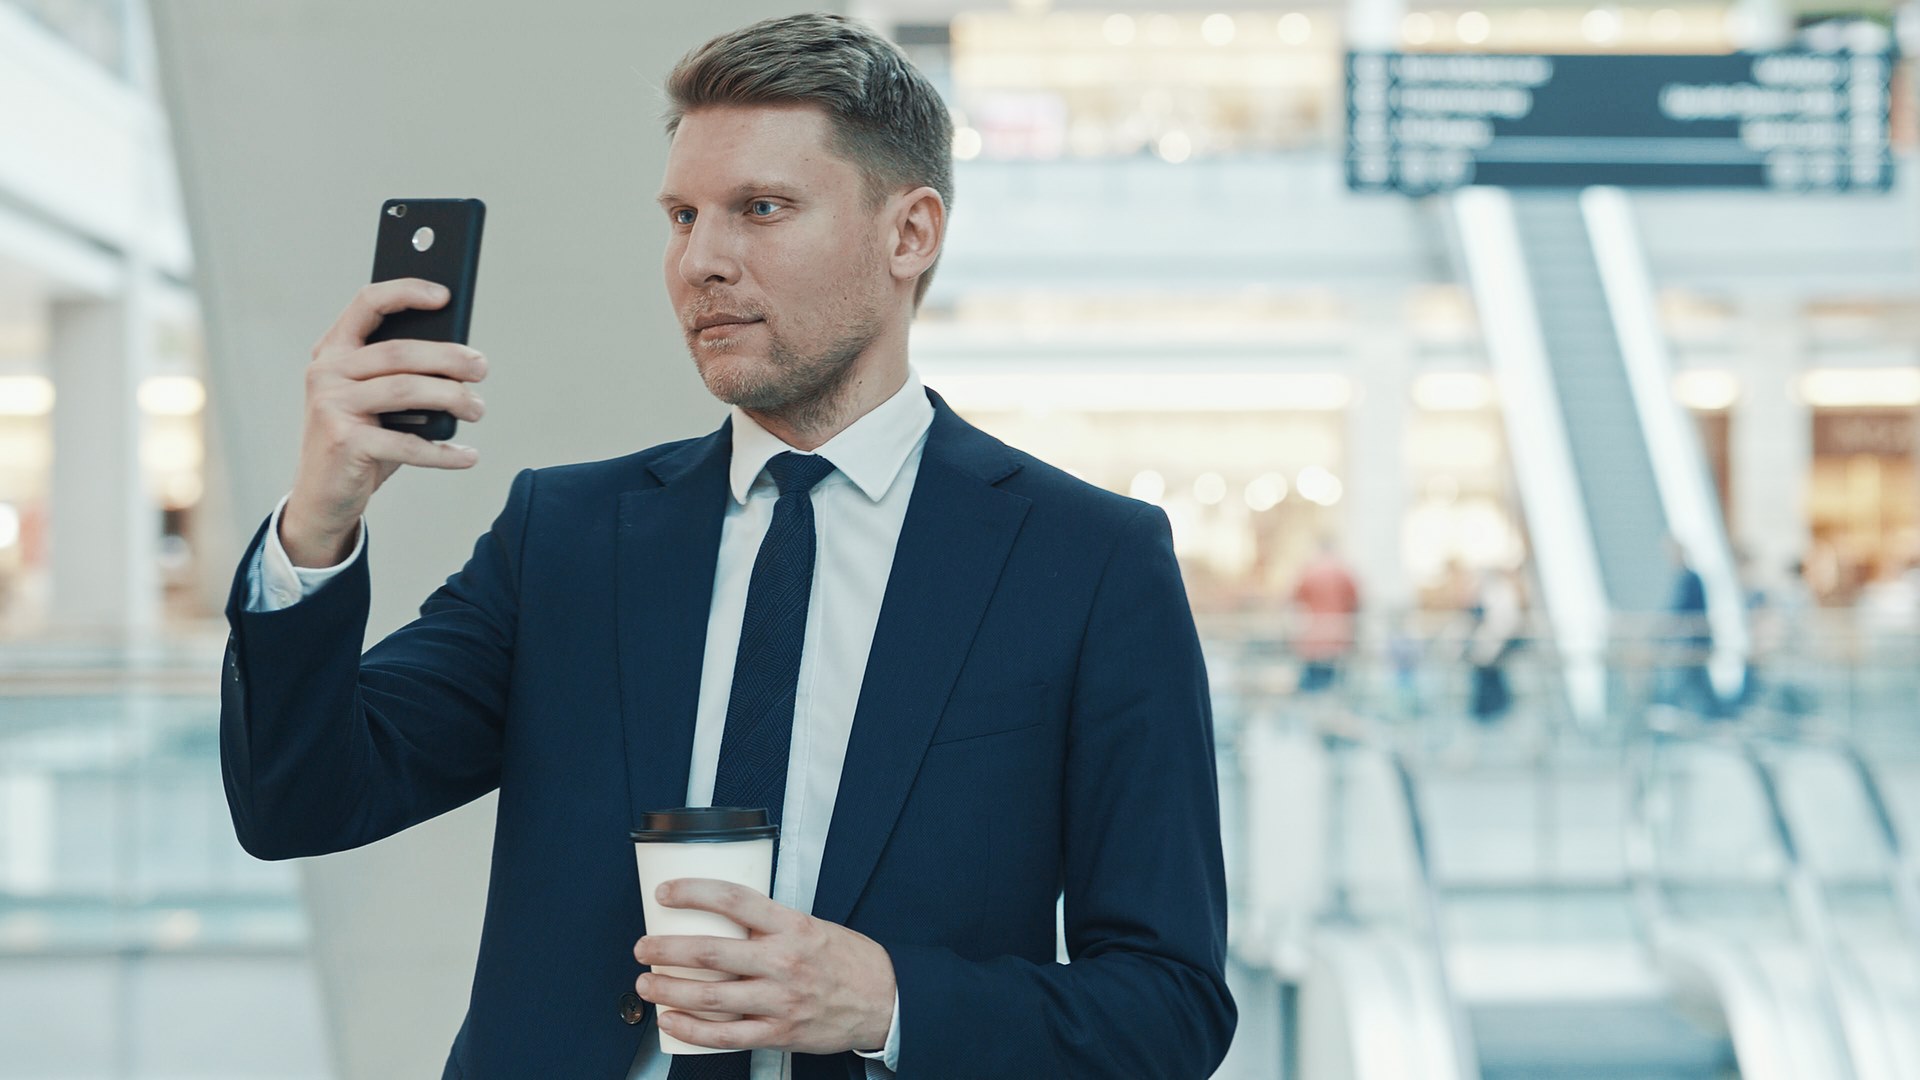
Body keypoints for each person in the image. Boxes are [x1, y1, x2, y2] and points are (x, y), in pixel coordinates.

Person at [216, 14, 1233, 1080]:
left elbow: (1170, 1008)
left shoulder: (1087, 563)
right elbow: (300, 801)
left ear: (911, 234)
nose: (702, 261)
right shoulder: (567, 536)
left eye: (761, 209)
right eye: (682, 216)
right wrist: (320, 519)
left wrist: (885, 999)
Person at [1290, 534, 1360, 693]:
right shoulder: (1343, 571)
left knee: (1313, 683)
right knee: (1334, 683)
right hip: (1338, 635)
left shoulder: (1309, 571)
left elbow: (1295, 599)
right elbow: (1355, 601)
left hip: (1314, 636)